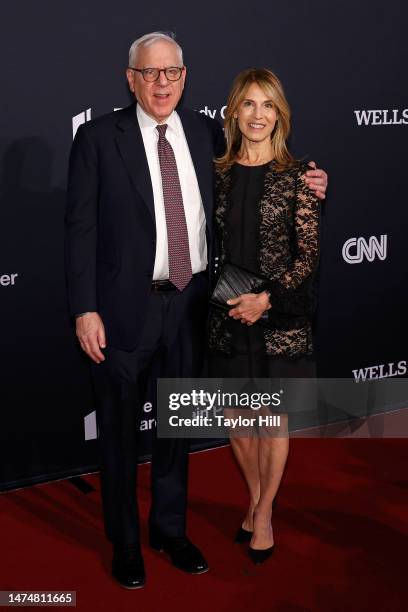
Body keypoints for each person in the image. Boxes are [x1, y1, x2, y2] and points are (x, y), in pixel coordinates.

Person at [65, 32, 328, 588]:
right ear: (130, 78)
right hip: (121, 313)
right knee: (118, 433)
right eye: (150, 73)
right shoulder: (95, 138)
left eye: (172, 72)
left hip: (191, 310)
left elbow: (258, 169)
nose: (162, 83)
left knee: (177, 431)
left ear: (184, 78)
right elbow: (80, 229)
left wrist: (311, 180)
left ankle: (168, 529)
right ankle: (126, 543)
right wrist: (85, 308)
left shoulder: (206, 133)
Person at [208, 68, 320, 564]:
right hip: (227, 314)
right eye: (249, 104)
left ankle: (265, 513)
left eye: (268, 105)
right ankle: (255, 501)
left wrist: (266, 300)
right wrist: (237, 302)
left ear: (281, 114)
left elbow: (307, 260)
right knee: (238, 420)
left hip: (279, 318)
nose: (258, 115)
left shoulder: (300, 177)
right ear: (234, 110)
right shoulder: (217, 173)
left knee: (272, 421)